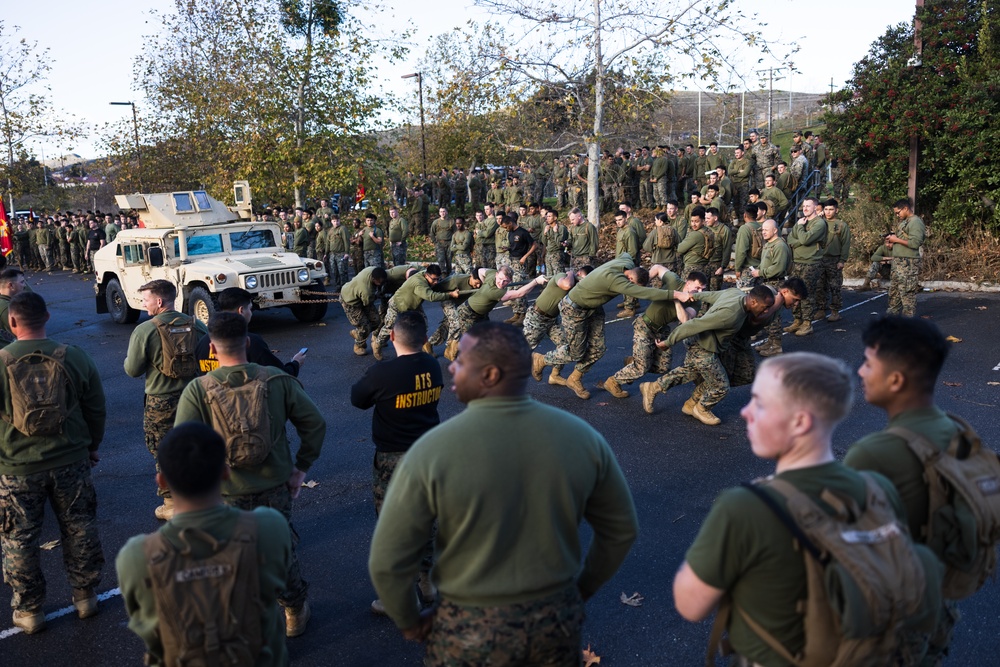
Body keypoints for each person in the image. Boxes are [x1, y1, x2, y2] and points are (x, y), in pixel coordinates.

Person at [369, 322, 639, 665]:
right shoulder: (583, 439)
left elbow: (387, 559)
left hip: (466, 628)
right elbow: (621, 530)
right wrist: (582, 588)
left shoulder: (432, 451)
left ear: (491, 374)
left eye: (461, 361)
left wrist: (409, 620)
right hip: (553, 624)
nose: (451, 365)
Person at [673, 353, 927, 667]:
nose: (745, 412)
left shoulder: (745, 506)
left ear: (800, 421)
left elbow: (690, 605)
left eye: (759, 403)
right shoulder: (877, 487)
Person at [175, 312, 326, 637]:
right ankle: (294, 611)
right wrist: (301, 467)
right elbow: (315, 424)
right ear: (247, 342)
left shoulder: (197, 390)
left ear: (212, 350)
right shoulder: (276, 380)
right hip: (275, 485)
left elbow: (183, 445)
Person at [116, 423, 292, 666]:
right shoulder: (269, 527)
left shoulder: (136, 556)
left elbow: (143, 624)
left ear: (162, 482)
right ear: (226, 473)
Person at [845, 316, 962, 662]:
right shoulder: (956, 430)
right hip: (939, 601)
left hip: (892, 617)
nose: (861, 372)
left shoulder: (875, 452)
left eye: (868, 363)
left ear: (895, 379)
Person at [0, 292, 106, 634]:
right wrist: (92, 446)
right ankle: (85, 595)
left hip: (16, 466)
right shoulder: (74, 357)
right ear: (47, 317)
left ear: (11, 322)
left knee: (19, 538)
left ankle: (30, 610)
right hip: (71, 459)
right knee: (79, 527)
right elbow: (96, 408)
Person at [351, 311, 443, 615]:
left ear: (392, 337)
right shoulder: (432, 365)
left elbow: (358, 398)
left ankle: (402, 597)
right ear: (426, 339)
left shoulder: (383, 372)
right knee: (426, 520)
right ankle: (426, 580)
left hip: (394, 459)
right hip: (428, 453)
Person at [531, 253, 693, 400]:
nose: (632, 290)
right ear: (630, 280)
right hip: (574, 308)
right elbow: (647, 294)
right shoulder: (617, 281)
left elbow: (627, 254)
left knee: (598, 348)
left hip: (593, 307)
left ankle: (575, 378)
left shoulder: (627, 262)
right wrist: (676, 294)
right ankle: (542, 360)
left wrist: (643, 276)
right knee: (576, 352)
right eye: (634, 286)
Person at [124, 279, 208, 520]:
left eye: (146, 299)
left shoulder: (145, 329)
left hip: (160, 401)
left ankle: (172, 505)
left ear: (159, 302)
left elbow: (132, 370)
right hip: (194, 397)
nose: (143, 304)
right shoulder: (197, 324)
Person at [639, 285, 773, 425]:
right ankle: (701, 408)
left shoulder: (735, 293)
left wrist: (695, 295)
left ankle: (654, 388)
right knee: (720, 385)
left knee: (690, 372)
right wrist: (668, 342)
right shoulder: (731, 314)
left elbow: (712, 295)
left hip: (703, 343)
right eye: (765, 307)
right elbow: (695, 324)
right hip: (702, 346)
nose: (766, 311)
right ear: (753, 302)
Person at [601, 269, 707, 399]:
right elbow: (657, 267)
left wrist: (676, 299)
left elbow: (685, 319)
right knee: (642, 367)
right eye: (697, 288)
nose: (700, 292)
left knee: (662, 367)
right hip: (644, 325)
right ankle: (613, 382)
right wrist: (643, 284)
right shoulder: (674, 280)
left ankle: (633, 362)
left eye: (703, 289)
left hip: (661, 330)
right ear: (688, 283)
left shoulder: (696, 301)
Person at [194, 287, 306, 375]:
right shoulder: (252, 342)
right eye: (250, 309)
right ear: (241, 310)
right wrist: (295, 363)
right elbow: (281, 375)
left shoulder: (202, 342)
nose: (251, 313)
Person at [785, 197, 828, 337]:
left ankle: (807, 323)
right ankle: (797, 320)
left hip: (811, 262)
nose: (805, 208)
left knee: (807, 293)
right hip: (796, 261)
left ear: (815, 207)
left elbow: (805, 239)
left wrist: (800, 228)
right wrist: (800, 235)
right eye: (803, 206)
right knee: (794, 291)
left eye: (808, 206)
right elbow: (790, 239)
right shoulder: (801, 222)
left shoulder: (819, 223)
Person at [886, 197, 925, 317]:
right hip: (898, 261)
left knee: (907, 292)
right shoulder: (905, 222)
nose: (897, 215)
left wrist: (896, 239)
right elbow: (904, 240)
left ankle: (908, 319)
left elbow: (915, 243)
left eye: (898, 212)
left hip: (908, 262)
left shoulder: (915, 222)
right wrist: (892, 243)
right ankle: (893, 315)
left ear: (906, 208)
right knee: (895, 291)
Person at [815, 198, 851, 322]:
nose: (828, 212)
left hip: (834, 259)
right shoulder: (819, 223)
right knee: (819, 285)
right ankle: (821, 309)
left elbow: (846, 244)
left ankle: (835, 311)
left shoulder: (841, 225)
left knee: (834, 286)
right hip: (820, 258)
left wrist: (842, 260)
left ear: (836, 210)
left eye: (831, 209)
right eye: (826, 209)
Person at [340, 266, 387, 356]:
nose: (380, 284)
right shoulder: (367, 290)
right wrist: (377, 295)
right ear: (373, 279)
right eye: (379, 282)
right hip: (350, 302)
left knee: (376, 321)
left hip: (360, 297)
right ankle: (358, 345)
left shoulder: (373, 270)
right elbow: (367, 303)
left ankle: (358, 334)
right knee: (364, 327)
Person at [0, 267, 28, 344]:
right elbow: (25, 335)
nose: (24, 285)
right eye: (22, 282)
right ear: (11, 285)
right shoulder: (8, 308)